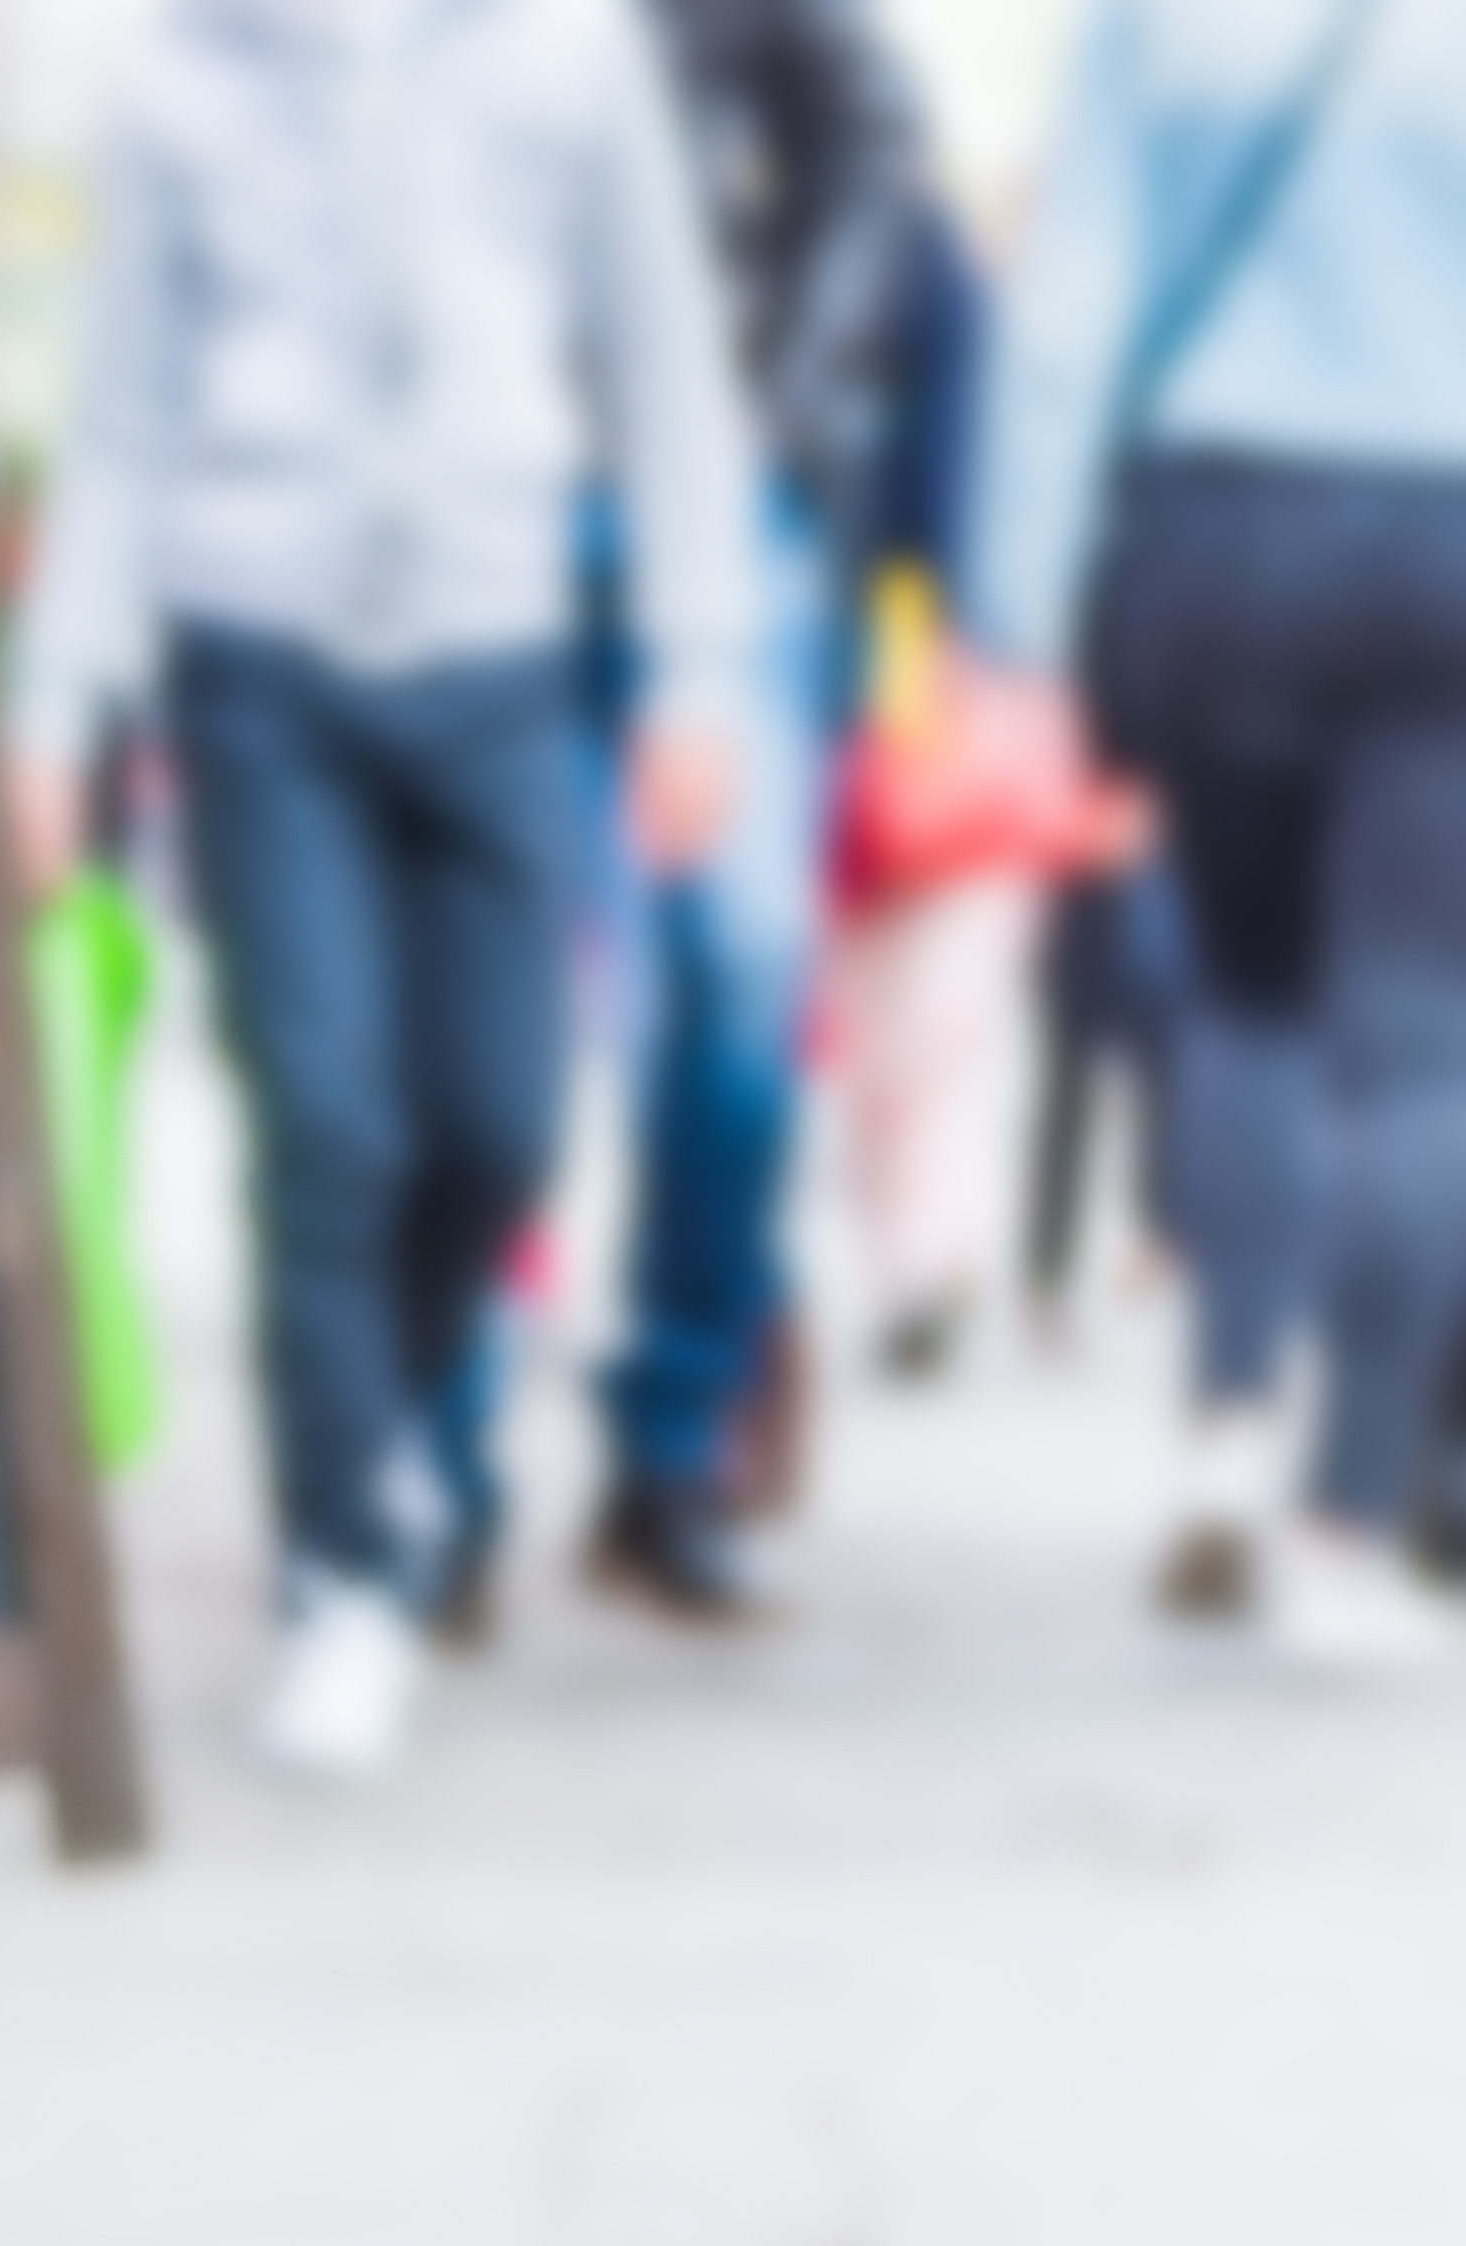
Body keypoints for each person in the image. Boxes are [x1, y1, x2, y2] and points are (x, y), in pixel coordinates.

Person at [14, 0, 761, 1780]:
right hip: (258, 651)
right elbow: (118, 419)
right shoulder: (188, 72)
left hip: (499, 648)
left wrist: (698, 664)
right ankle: (342, 1572)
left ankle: (391, 1436)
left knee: (502, 1127)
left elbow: (665, 373)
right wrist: (55, 703)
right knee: (327, 1126)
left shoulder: (571, 56)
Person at [974, 0, 1466, 1664]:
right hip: (1446, 537)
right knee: (1420, 1047)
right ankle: (1349, 1526)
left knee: (1245, 1002)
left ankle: (1226, 1433)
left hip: (1221, 528)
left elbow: (1063, 320)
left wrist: (1014, 626)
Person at [588, 0, 932, 1617]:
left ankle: (677, 1425)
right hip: (472, 500)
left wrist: (788, 397)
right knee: (478, 1016)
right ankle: (405, 1478)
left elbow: (875, 116)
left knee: (740, 971)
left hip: (725, 495)